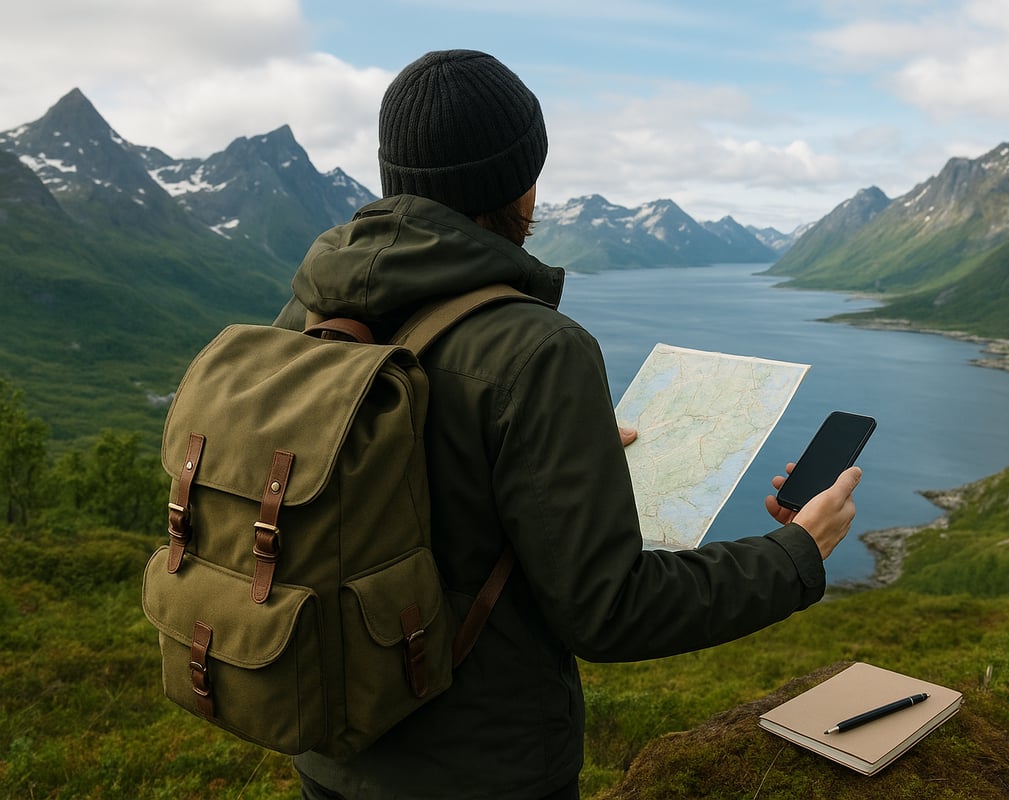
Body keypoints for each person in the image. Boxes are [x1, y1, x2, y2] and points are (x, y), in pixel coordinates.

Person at [274, 49, 861, 800]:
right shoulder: (537, 350)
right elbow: (611, 612)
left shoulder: (313, 314)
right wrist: (796, 552)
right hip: (485, 770)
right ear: (519, 179)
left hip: (330, 747)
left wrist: (560, 457)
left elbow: (403, 481)